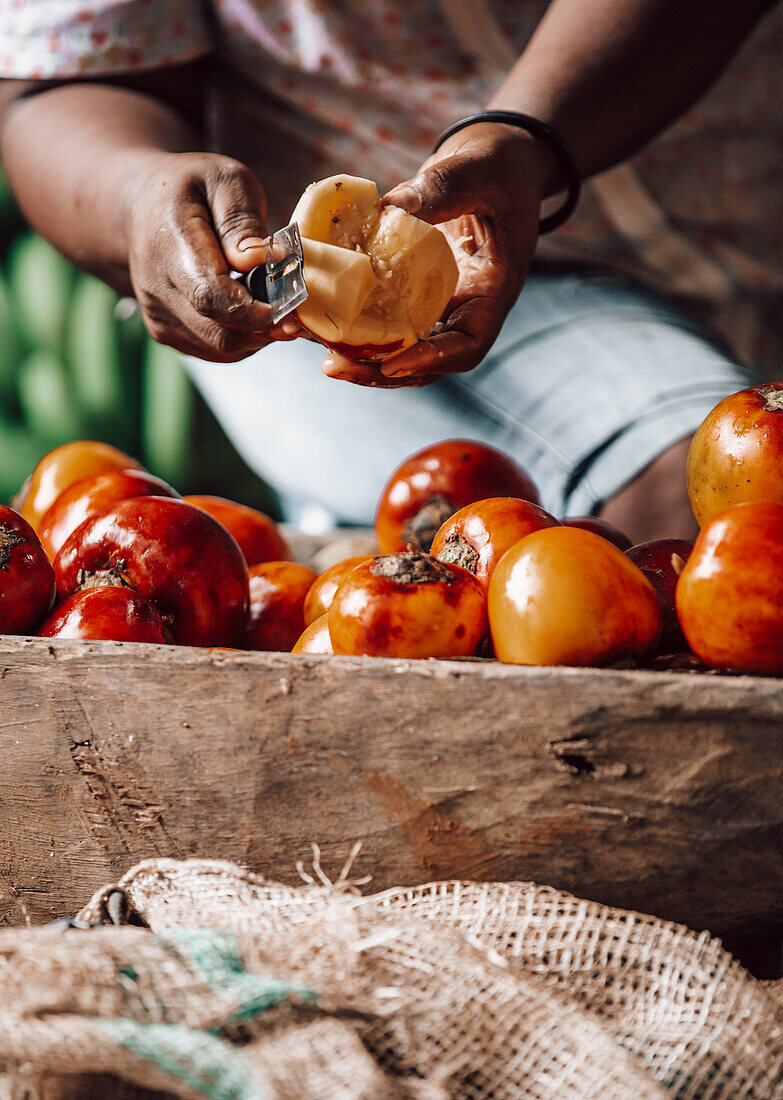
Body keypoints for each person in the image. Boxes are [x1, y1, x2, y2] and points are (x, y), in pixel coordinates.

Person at [0, 0, 780, 541]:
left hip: (741, 187)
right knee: (709, 498)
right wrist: (134, 195)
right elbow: (63, 75)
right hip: (312, 309)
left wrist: (525, 136)